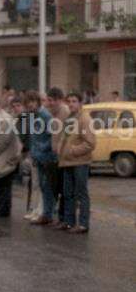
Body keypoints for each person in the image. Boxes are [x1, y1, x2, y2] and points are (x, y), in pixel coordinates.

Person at [57, 92, 96, 233]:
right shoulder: (69, 118)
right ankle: (68, 222)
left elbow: (90, 143)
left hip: (80, 162)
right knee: (68, 194)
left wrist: (73, 151)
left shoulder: (85, 119)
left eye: (74, 101)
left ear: (80, 103)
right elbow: (65, 138)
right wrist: (60, 150)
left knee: (81, 193)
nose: (71, 104)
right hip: (67, 162)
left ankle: (83, 224)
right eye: (69, 101)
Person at [0, 99, 22, 218]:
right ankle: (0, 208)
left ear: (0, 106)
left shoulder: (4, 120)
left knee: (2, 183)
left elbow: (4, 140)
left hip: (4, 156)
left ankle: (3, 210)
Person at [25, 90, 56, 226]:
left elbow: (52, 136)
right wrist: (33, 152)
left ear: (37, 102)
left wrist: (43, 148)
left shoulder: (45, 115)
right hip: (37, 156)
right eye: (28, 103)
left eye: (32, 102)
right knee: (41, 186)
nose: (30, 105)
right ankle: (44, 212)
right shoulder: (32, 115)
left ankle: (47, 213)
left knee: (47, 185)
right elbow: (33, 137)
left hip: (46, 156)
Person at [46, 87, 70, 227]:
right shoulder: (53, 113)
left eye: (51, 100)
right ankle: (61, 217)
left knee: (63, 188)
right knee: (56, 187)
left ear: (58, 100)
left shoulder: (65, 112)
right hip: (55, 155)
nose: (49, 103)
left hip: (63, 156)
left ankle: (64, 218)